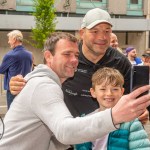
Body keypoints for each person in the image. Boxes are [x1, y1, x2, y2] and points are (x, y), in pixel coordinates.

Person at [1, 32, 150, 150]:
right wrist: (115, 115)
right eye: (67, 54)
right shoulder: (44, 86)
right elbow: (65, 131)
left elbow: (56, 138)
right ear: (48, 56)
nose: (74, 60)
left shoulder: (45, 82)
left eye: (76, 55)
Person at [9, 8, 149, 124]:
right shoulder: (69, 59)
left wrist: (140, 111)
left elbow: (131, 97)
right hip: (70, 137)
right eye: (95, 31)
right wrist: (20, 84)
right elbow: (43, 78)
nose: (102, 37)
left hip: (108, 137)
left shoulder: (120, 61)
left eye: (107, 31)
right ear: (82, 33)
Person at [75, 67, 150, 150]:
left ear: (122, 92)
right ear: (93, 92)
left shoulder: (131, 123)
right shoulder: (86, 121)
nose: (109, 93)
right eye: (103, 89)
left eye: (115, 89)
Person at [0, 30, 32, 109]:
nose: (8, 42)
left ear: (14, 39)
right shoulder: (30, 55)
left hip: (13, 91)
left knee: (12, 115)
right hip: (26, 89)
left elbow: (1, 70)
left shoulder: (10, 55)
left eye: (9, 39)